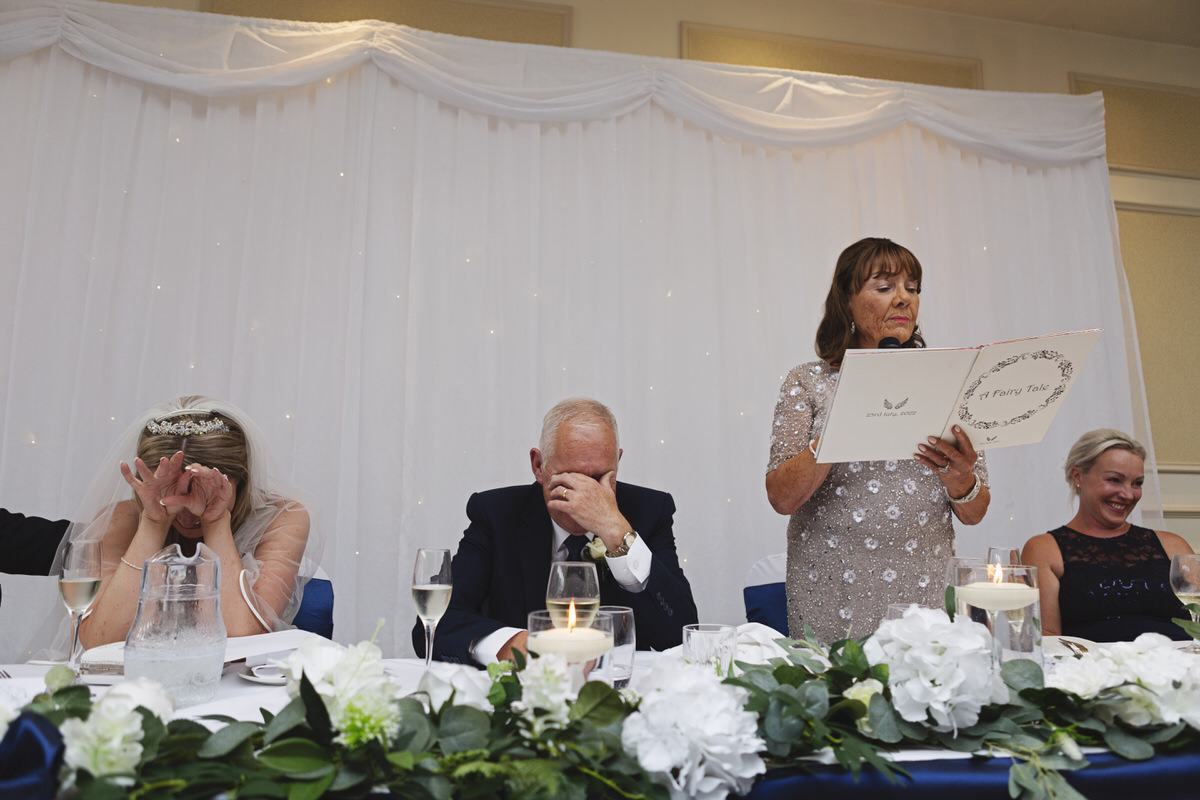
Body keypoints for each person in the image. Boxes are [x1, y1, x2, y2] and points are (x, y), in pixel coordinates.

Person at [765, 237, 990, 643]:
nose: (903, 299)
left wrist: (960, 477)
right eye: (885, 287)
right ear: (846, 301)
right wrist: (840, 423)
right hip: (833, 589)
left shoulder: (948, 381)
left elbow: (975, 512)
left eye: (912, 288)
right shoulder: (808, 382)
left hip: (924, 591)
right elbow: (782, 498)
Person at [415, 397, 698, 665]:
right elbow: (434, 625)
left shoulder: (649, 510)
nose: (586, 495)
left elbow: (679, 636)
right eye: (572, 478)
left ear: (617, 462)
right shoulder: (496, 514)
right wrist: (512, 644)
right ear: (539, 466)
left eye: (599, 478)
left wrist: (617, 532)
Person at [49, 396, 321, 651]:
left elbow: (242, 642)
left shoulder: (283, 517)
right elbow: (101, 643)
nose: (188, 513)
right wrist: (154, 523)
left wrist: (216, 521)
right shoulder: (121, 519)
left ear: (242, 480)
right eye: (172, 493)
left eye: (203, 491)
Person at [1021, 429, 1193, 641]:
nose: (1128, 494)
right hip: (1092, 670)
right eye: (1114, 480)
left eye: (1137, 483)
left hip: (1180, 667)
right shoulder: (1044, 549)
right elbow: (1047, 639)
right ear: (1078, 476)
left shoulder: (1172, 545)